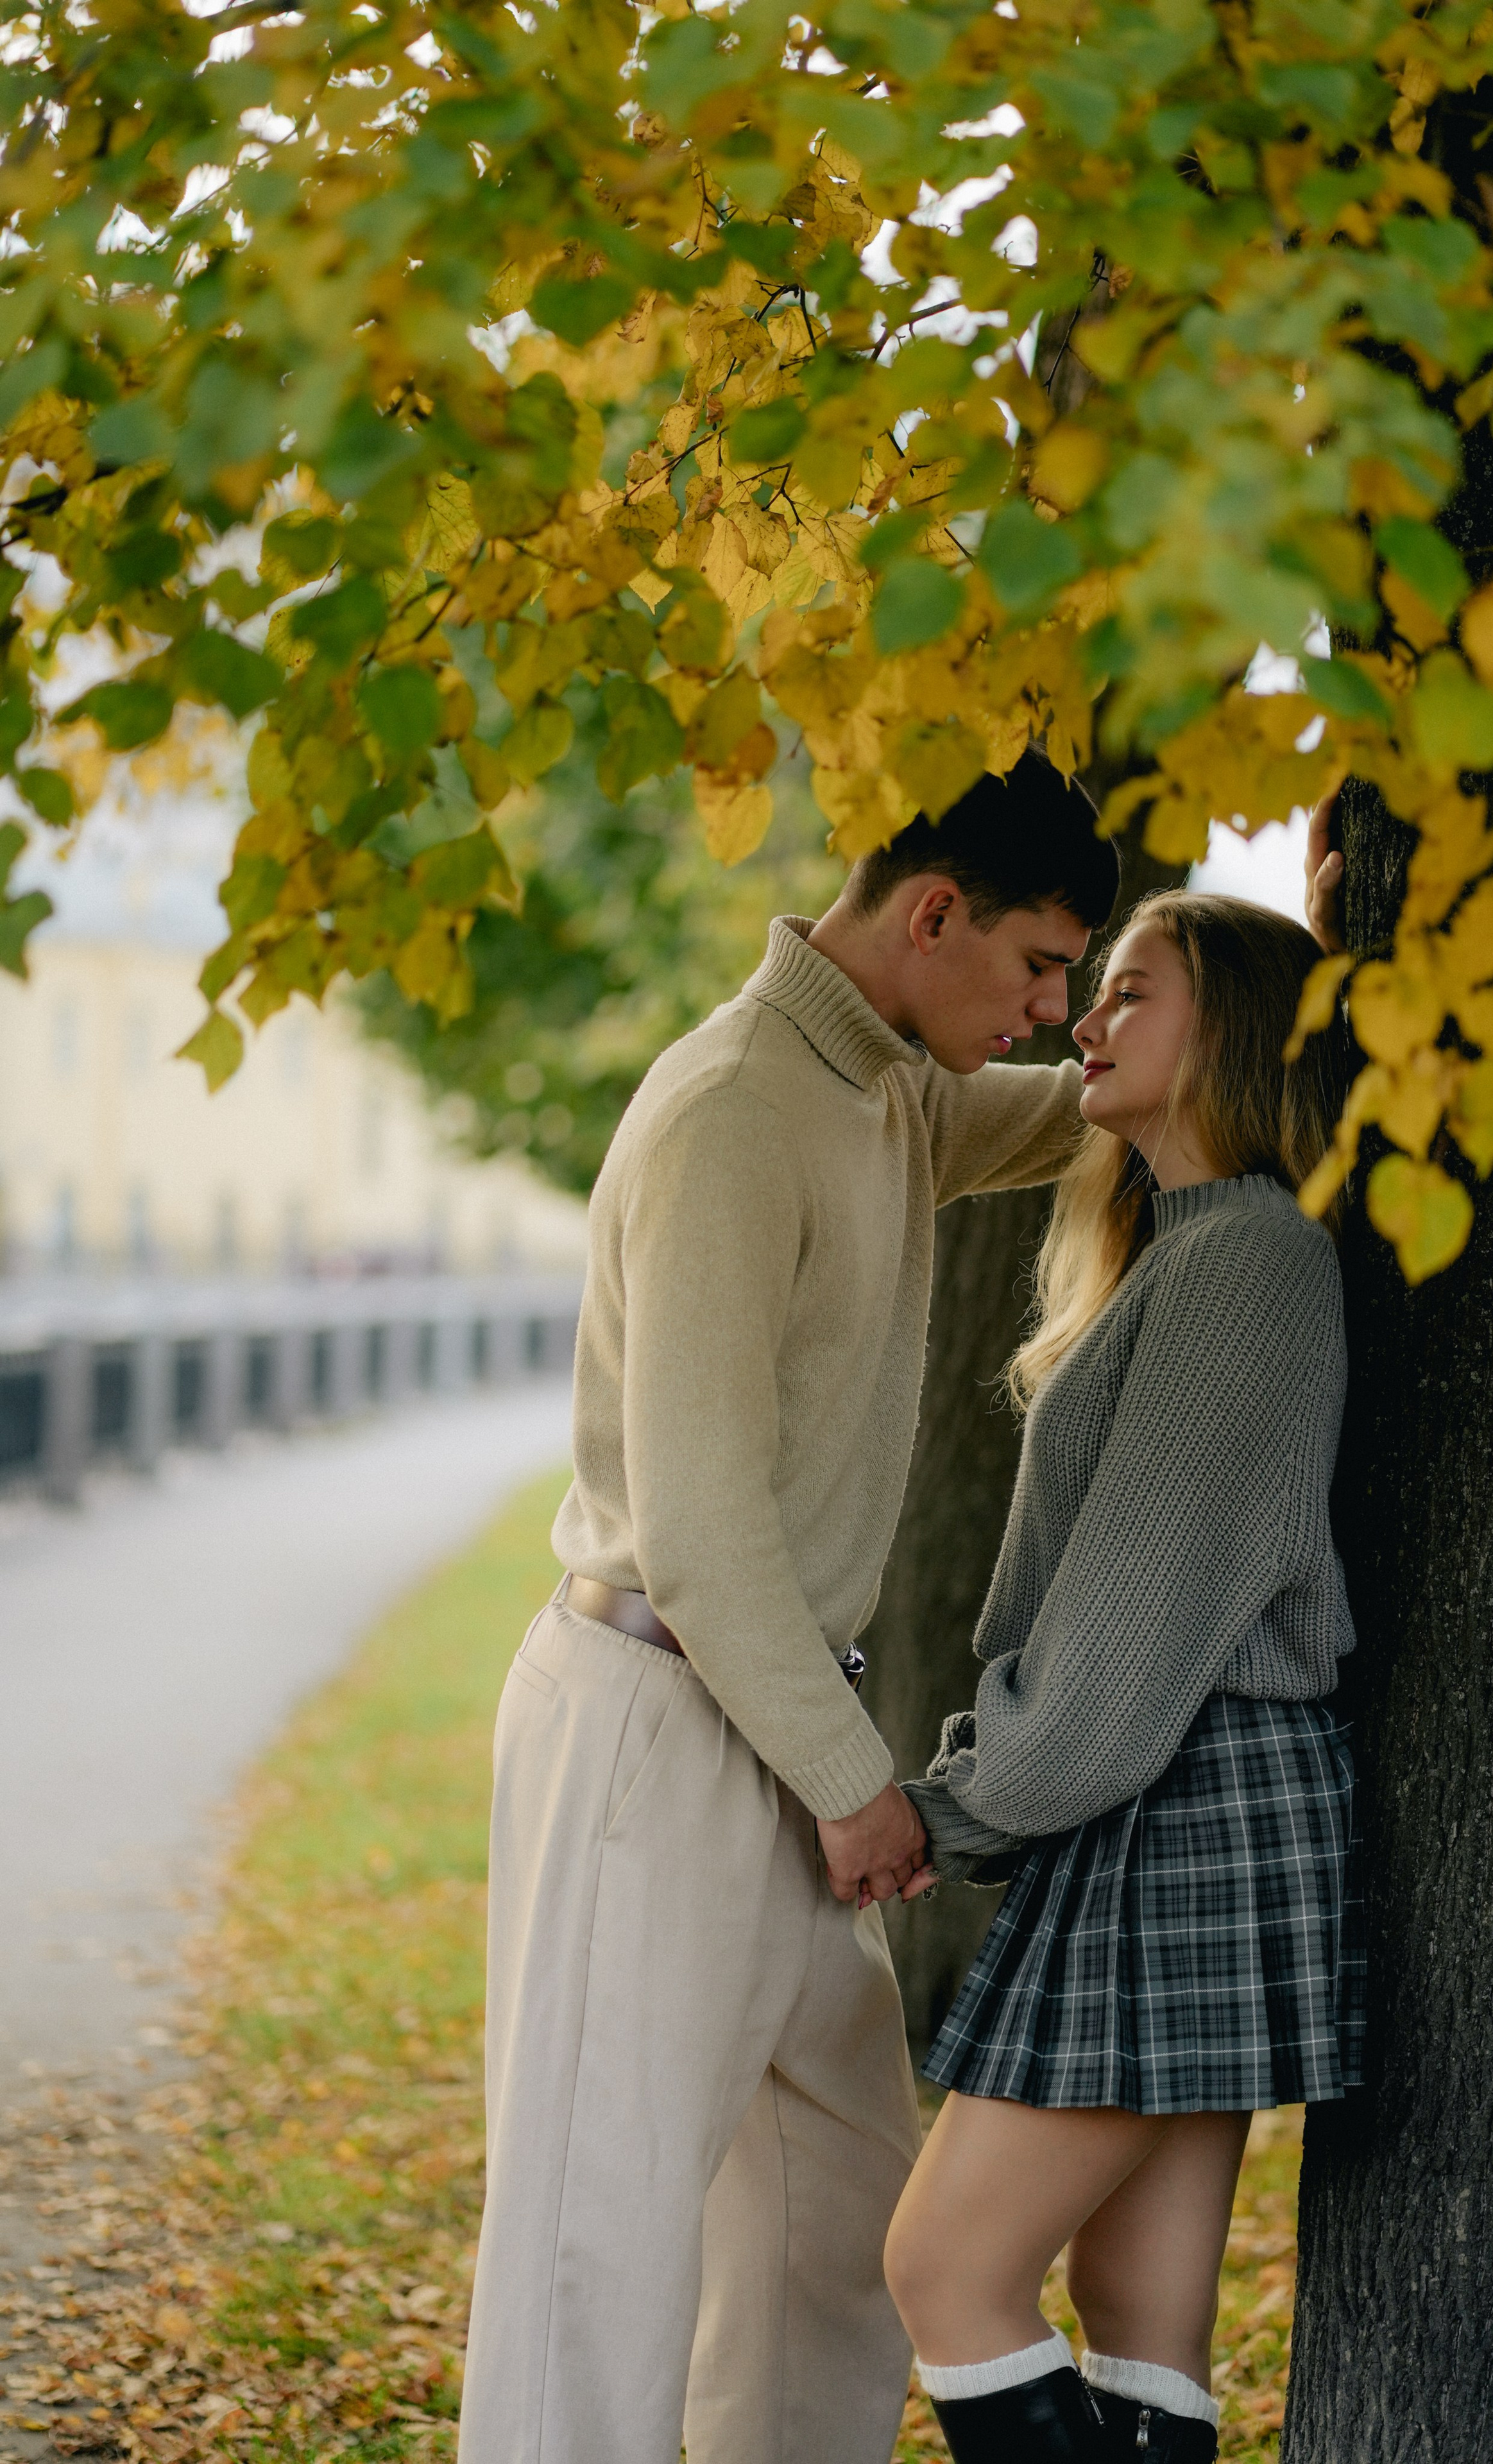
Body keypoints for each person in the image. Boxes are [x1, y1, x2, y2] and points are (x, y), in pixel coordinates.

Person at [456, 752, 1124, 2464]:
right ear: (932, 914)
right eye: (1044, 967)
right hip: (657, 1722)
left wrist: (1274, 992)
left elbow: (1083, 1108)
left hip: (765, 1720)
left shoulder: (888, 1082)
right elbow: (694, 1525)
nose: (1056, 1012)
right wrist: (850, 1780)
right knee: (593, 2251)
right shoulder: (740, 1111)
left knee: (836, 2222)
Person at [886, 890, 1363, 2464]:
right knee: (1137, 2309)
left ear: (1226, 1030)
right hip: (1179, 1787)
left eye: (1128, 993)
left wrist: (948, 1810)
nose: (1084, 1024)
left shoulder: (1242, 1270)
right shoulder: (1199, 1250)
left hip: (1175, 1794)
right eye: (1085, 994)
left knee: (944, 2268)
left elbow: (1126, 1628)